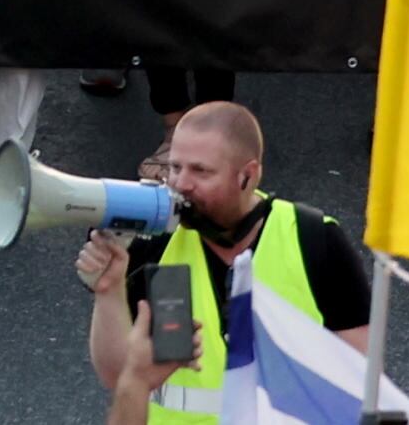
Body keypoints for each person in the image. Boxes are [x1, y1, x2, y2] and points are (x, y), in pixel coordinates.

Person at [73, 101, 370, 421]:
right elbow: (117, 377)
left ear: (248, 175)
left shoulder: (314, 239)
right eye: (175, 167)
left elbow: (357, 375)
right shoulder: (151, 242)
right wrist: (109, 291)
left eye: (200, 171)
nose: (180, 183)